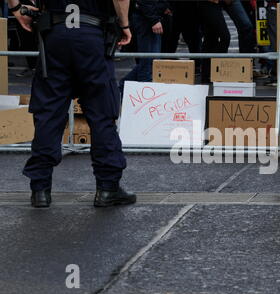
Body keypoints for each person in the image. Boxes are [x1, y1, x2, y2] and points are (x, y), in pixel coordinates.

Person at [9, 0, 137, 208]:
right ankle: (107, 187)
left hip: (56, 33)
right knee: (102, 113)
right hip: (92, 35)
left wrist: (16, 9)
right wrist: (124, 24)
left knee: (48, 114)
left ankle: (40, 189)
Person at [119, 0, 170, 93]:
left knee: (150, 63)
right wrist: (154, 19)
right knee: (149, 64)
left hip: (150, 17)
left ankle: (124, 86)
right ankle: (140, 93)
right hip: (147, 19)